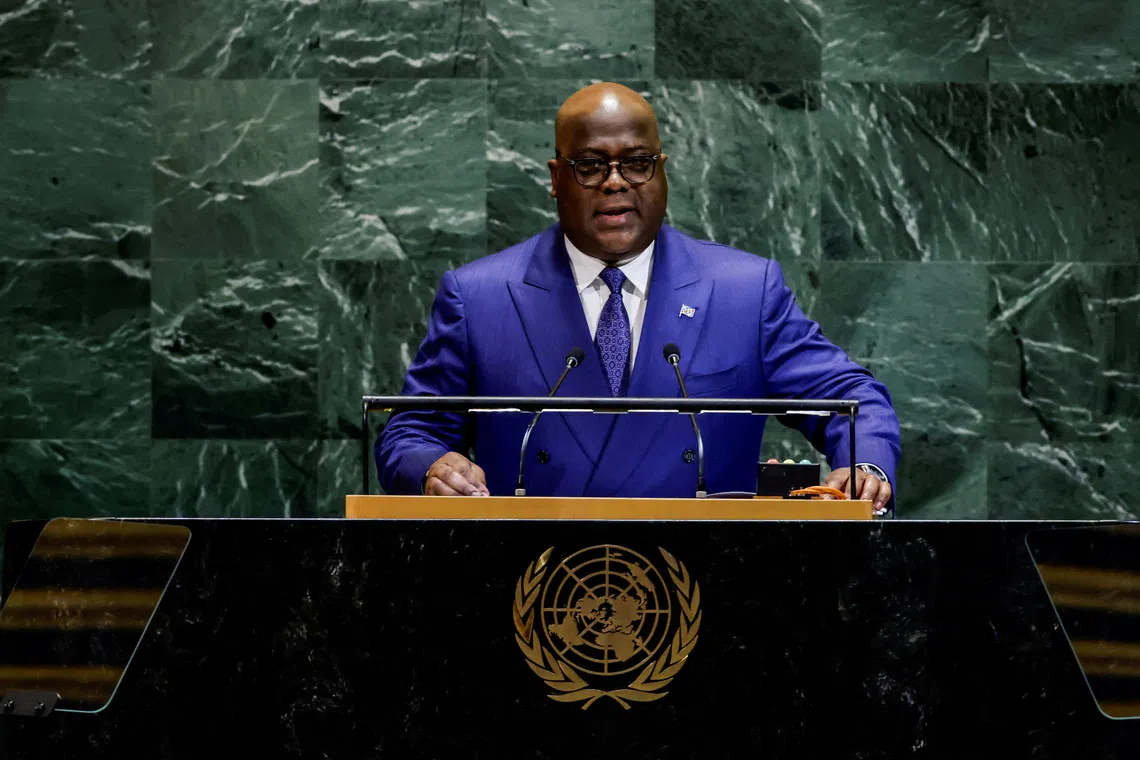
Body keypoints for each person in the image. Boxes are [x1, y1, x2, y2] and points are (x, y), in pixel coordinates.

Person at [375, 82, 900, 511]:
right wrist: (432, 469)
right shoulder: (479, 297)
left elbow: (851, 402)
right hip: (535, 592)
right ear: (557, 178)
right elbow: (410, 431)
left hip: (716, 592)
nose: (615, 183)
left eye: (637, 163)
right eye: (590, 165)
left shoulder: (744, 291)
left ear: (663, 171)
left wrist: (866, 467)